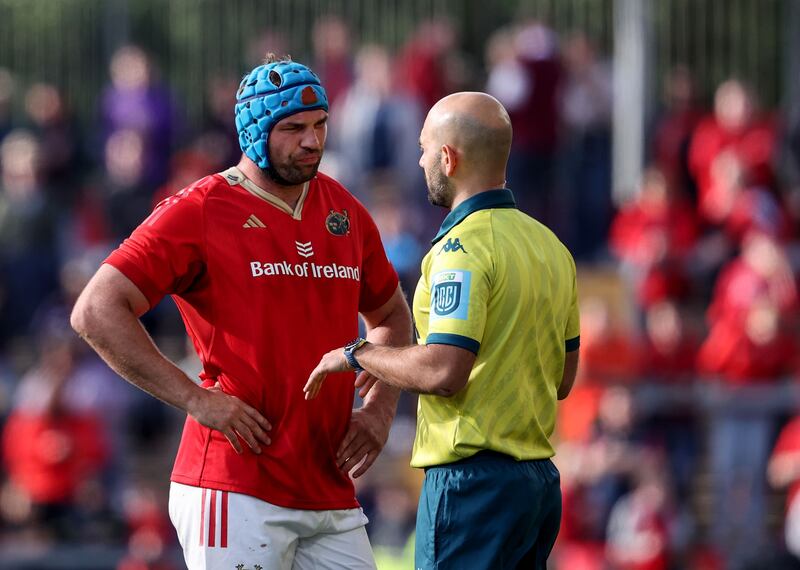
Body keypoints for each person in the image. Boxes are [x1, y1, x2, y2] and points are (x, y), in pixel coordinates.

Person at [71, 54, 412, 569]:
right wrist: (195, 399)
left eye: (321, 124)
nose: (313, 141)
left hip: (329, 488)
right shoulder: (201, 208)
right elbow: (95, 310)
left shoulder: (345, 211)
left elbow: (391, 315)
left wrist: (381, 410)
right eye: (294, 128)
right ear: (255, 131)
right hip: (234, 486)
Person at [305, 92, 580, 569]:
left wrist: (357, 353)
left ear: (447, 159)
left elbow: (444, 371)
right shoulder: (552, 247)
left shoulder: (460, 249)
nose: (419, 159)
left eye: (424, 148)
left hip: (472, 488)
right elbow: (563, 379)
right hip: (536, 486)